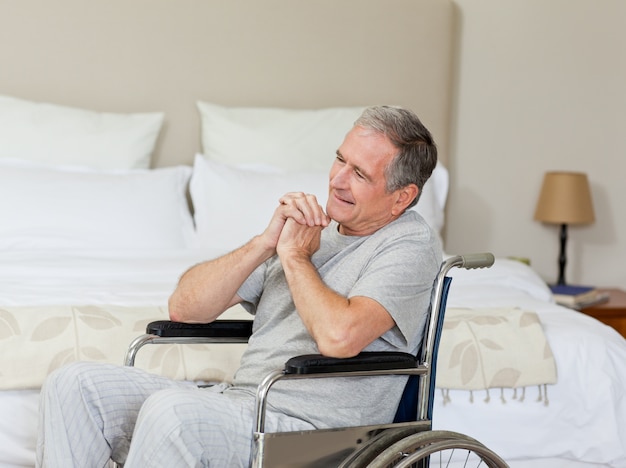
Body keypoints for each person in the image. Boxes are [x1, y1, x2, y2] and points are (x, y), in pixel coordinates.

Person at [36, 105, 442, 467]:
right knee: (74, 385)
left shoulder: (407, 244)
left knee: (173, 412)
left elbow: (340, 338)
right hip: (245, 405)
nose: (337, 179)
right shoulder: (305, 231)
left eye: (359, 173)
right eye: (339, 159)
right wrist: (265, 243)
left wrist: (296, 259)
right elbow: (185, 309)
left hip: (317, 434)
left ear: (401, 197)